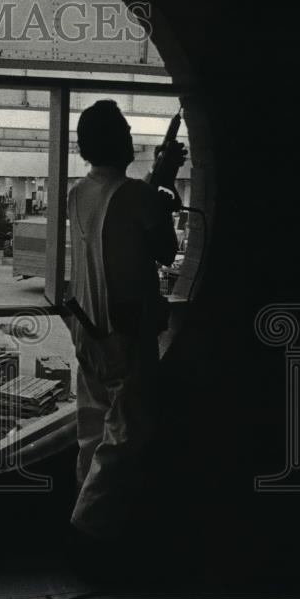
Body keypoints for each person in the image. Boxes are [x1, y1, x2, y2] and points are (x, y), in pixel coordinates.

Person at [63, 99, 187, 548]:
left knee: (92, 429)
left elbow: (119, 231)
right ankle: (89, 532)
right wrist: (166, 180)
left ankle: (82, 510)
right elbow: (166, 250)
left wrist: (155, 186)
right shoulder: (137, 195)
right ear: (119, 141)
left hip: (86, 329)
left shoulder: (79, 193)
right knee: (124, 438)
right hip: (124, 335)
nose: (133, 134)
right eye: (127, 128)